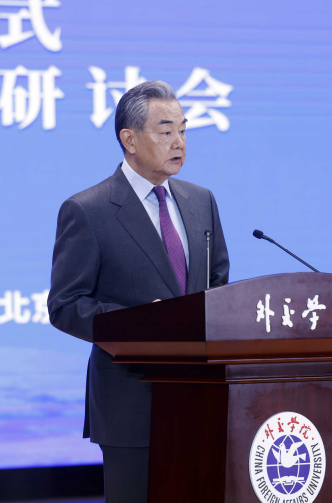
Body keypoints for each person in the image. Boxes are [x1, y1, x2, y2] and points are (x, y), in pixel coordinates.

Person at [47, 80, 230, 503]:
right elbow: (66, 305)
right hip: (132, 401)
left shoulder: (201, 201)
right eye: (165, 131)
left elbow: (217, 283)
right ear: (129, 139)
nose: (179, 142)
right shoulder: (88, 210)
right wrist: (136, 325)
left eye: (183, 130)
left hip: (203, 397)